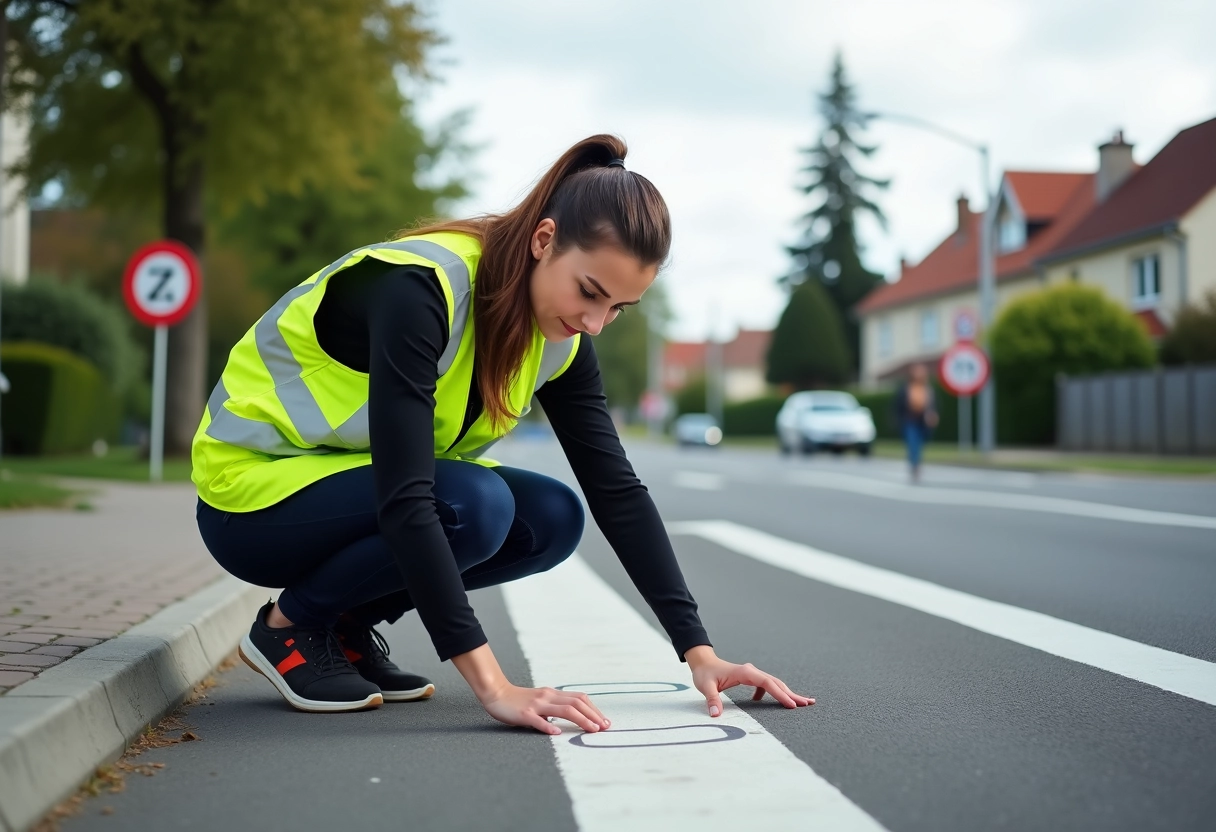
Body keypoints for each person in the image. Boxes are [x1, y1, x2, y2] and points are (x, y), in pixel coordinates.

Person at [192, 135, 814, 734]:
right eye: (590, 293)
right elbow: (409, 497)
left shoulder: (563, 340)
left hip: (347, 491)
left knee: (551, 516)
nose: (595, 323)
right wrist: (494, 686)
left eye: (618, 309)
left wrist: (698, 652)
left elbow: (616, 491)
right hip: (251, 497)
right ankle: (289, 628)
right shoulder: (419, 288)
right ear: (545, 240)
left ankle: (346, 626)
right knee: (475, 504)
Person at [894, 363, 938, 483]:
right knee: (913, 443)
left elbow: (932, 405)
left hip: (923, 422)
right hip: (910, 420)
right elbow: (898, 405)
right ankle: (915, 465)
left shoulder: (928, 389)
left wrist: (932, 415)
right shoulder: (906, 388)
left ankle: (916, 462)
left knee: (920, 444)